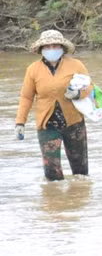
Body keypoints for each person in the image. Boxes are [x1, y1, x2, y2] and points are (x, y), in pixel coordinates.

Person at [15, 30, 93, 181]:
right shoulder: (33, 70)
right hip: (47, 124)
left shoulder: (76, 65)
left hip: (74, 122)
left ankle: (78, 201)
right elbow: (26, 97)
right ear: (41, 49)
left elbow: (90, 88)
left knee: (81, 173)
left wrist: (77, 94)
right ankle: (54, 201)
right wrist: (20, 122)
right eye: (47, 46)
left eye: (55, 46)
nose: (51, 49)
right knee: (52, 174)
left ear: (62, 47)